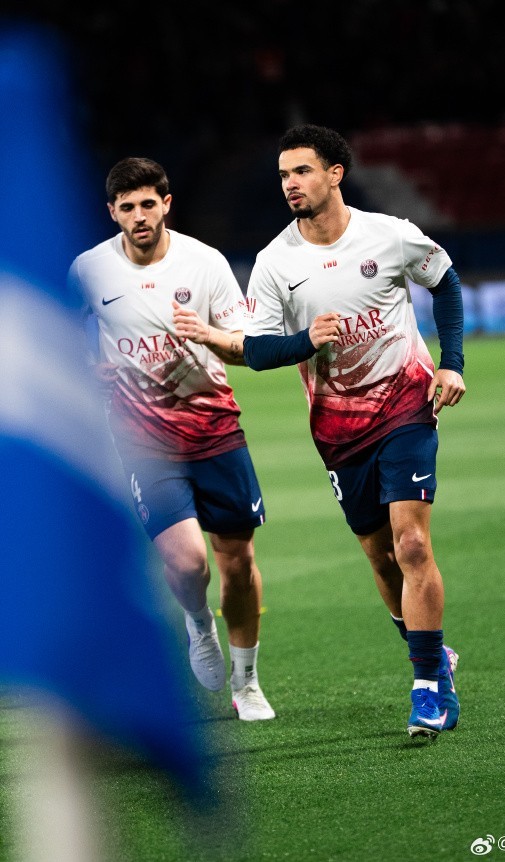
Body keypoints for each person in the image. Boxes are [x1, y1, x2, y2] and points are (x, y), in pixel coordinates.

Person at [241, 124, 466, 738]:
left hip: (406, 404)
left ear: (335, 173)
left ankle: (429, 686)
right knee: (381, 556)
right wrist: (304, 340)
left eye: (302, 171)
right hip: (338, 428)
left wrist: (451, 362)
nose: (290, 184)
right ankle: (432, 653)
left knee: (411, 544)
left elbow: (444, 280)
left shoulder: (389, 235)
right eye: (283, 174)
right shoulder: (275, 262)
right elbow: (256, 350)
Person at [69, 157, 274, 721]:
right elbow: (60, 329)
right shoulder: (88, 269)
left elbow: (244, 345)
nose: (139, 216)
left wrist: (206, 334)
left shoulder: (204, 263)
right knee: (187, 565)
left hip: (215, 430)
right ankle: (198, 623)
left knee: (237, 563)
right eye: (127, 207)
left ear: (166, 204)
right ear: (112, 212)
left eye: (147, 204)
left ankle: (247, 682)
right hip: (143, 438)